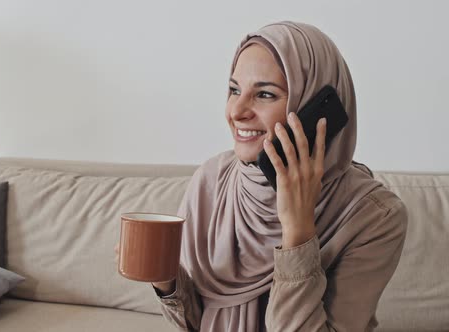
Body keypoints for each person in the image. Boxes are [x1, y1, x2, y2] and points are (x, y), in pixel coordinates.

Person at [115, 21, 407, 332]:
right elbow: (195, 324)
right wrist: (166, 279)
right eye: (234, 90)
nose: (236, 111)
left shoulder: (375, 216)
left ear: (311, 108)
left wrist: (298, 232)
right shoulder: (211, 181)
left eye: (265, 94)